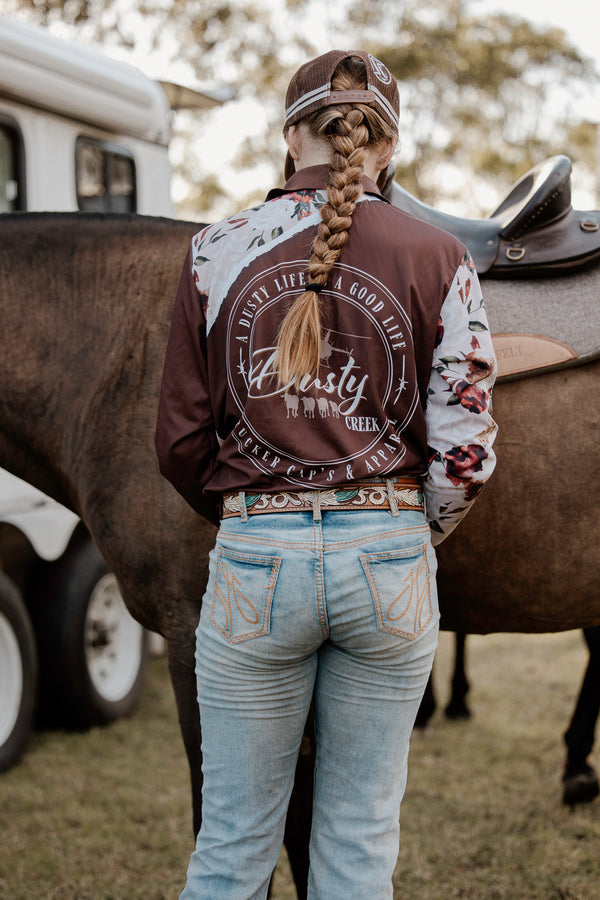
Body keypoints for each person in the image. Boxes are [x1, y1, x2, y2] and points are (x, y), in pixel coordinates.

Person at [155, 49, 497, 900]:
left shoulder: (213, 251)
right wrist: (409, 530)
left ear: (290, 134)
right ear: (386, 149)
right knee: (357, 847)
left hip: (255, 556)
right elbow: (467, 451)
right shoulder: (441, 256)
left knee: (231, 845)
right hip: (388, 554)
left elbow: (181, 441)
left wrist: (253, 514)